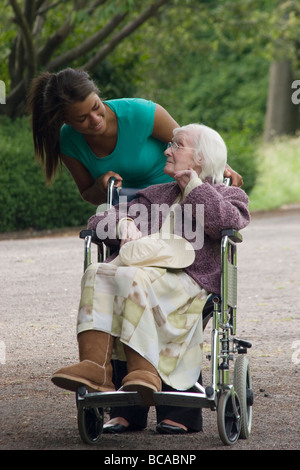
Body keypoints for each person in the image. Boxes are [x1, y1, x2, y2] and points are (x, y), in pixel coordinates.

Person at [28, 67, 244, 435]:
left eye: (176, 146)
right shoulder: (152, 195)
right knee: (100, 272)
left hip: (189, 276)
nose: (167, 148)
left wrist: (196, 183)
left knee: (133, 277)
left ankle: (153, 382)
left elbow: (226, 220)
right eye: (170, 144)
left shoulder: (224, 194)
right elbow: (99, 220)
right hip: (143, 272)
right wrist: (121, 224)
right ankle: (98, 371)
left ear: (199, 159)